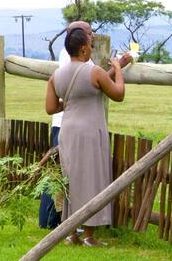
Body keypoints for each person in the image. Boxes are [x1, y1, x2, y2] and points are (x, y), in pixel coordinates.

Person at [44, 21, 130, 246]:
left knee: (71, 180)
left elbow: (51, 108)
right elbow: (118, 94)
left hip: (68, 132)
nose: (92, 48)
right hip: (90, 132)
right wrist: (119, 69)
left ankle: (72, 234)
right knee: (92, 180)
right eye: (90, 45)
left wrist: (72, 102)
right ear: (83, 49)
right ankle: (90, 235)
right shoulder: (95, 71)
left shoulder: (56, 75)